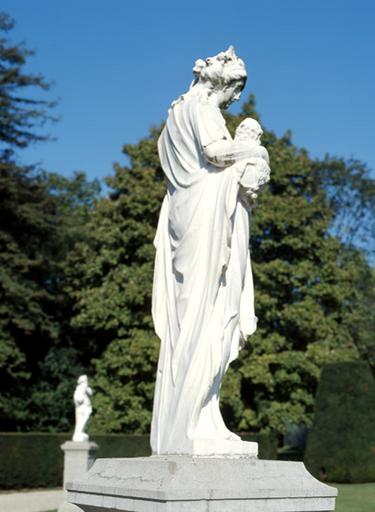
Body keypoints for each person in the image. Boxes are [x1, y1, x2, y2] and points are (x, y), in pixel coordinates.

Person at [151, 47, 270, 455]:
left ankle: (202, 415)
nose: (236, 98)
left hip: (188, 216)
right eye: (237, 89)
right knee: (210, 315)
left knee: (199, 317)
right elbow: (216, 153)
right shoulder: (201, 106)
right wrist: (256, 152)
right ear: (225, 84)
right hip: (206, 218)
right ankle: (191, 420)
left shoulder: (175, 114)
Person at [72, 375, 93, 442]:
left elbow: (91, 392)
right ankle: (78, 433)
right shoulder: (80, 388)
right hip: (82, 407)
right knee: (82, 420)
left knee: (84, 419)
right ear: (83, 381)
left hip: (85, 407)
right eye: (86, 380)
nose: (87, 382)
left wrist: (86, 389)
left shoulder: (85, 388)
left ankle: (80, 432)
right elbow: (78, 399)